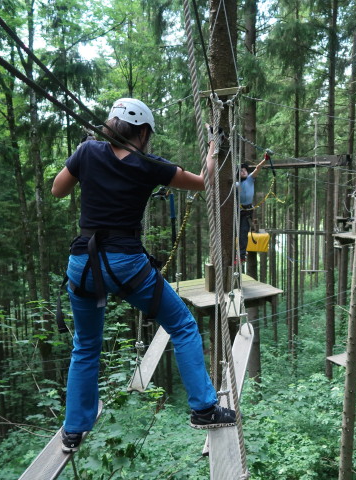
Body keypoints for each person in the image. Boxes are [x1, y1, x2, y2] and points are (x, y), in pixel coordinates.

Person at [51, 98, 236, 453]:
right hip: (126, 264)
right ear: (144, 132)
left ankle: (74, 429)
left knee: (86, 345)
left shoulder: (87, 151)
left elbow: (59, 189)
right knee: (182, 326)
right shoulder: (151, 165)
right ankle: (203, 408)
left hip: (83, 265)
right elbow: (202, 182)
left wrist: (85, 168)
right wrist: (212, 150)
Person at [237, 156, 267, 262]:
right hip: (237, 210)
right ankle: (236, 253)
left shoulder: (250, 179)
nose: (244, 172)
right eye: (241, 171)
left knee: (243, 232)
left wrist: (265, 159)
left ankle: (241, 255)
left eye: (245, 170)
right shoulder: (236, 184)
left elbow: (257, 168)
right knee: (234, 232)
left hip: (247, 210)